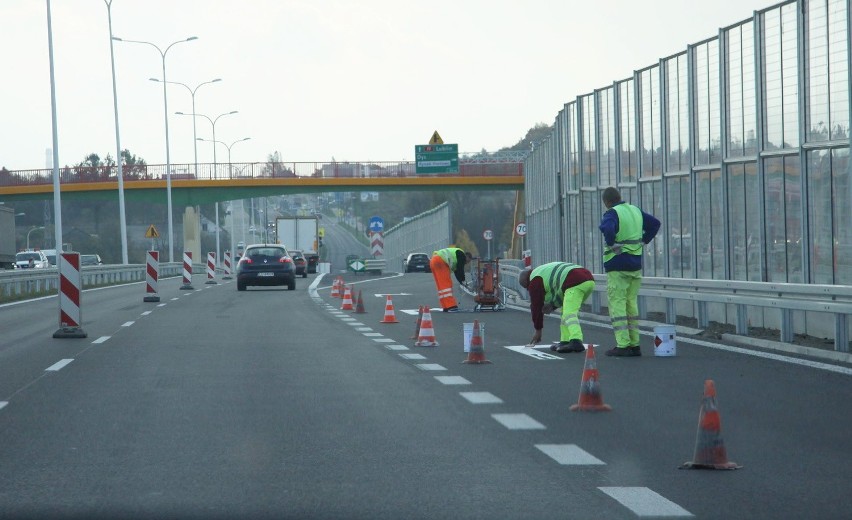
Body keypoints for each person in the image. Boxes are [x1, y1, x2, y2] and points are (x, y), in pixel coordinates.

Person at [599, 187, 661, 357]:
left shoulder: (612, 213)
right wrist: (643, 241)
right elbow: (655, 224)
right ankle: (634, 344)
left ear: (606, 202)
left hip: (617, 264)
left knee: (617, 303)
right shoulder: (635, 210)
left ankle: (622, 344)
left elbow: (608, 228)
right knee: (631, 303)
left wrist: (611, 243)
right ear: (620, 197)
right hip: (635, 265)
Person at [518, 262, 596, 353]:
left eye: (527, 287)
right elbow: (560, 290)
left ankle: (576, 340)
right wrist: (553, 306)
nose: (529, 290)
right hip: (586, 280)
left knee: (569, 313)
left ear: (527, 282)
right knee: (565, 312)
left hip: (575, 281)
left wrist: (538, 330)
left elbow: (536, 306)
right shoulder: (540, 272)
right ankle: (565, 341)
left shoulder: (534, 281)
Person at [429, 247, 472, 312]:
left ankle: (445, 306)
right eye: (467, 261)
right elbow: (460, 269)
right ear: (467, 257)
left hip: (433, 261)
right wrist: (463, 280)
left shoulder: (456, 254)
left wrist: (461, 282)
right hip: (441, 261)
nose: (466, 263)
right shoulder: (461, 255)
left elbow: (457, 272)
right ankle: (451, 305)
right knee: (446, 285)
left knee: (441, 287)